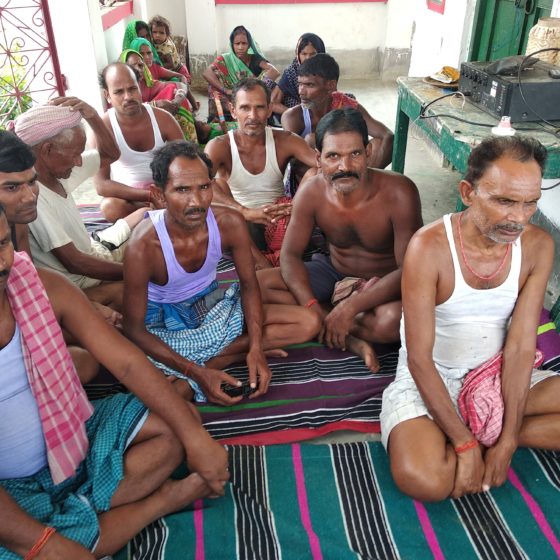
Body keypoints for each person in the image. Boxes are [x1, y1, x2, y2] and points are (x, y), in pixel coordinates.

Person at [0, 205, 229, 559]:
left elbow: (126, 363)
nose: (1, 263)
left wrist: (195, 438)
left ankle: (73, 518)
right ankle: (160, 501)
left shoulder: (40, 285)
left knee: (179, 422)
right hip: (9, 489)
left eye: (2, 244)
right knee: (31, 547)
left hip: (73, 439)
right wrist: (44, 545)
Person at [380, 136, 560, 502]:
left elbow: (521, 347)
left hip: (496, 373)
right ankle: (473, 430)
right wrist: (464, 444)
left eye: (530, 203)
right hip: (433, 375)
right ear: (467, 192)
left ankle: (493, 430)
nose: (518, 218)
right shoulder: (428, 247)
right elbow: (419, 359)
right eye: (504, 201)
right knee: (424, 479)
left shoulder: (538, 246)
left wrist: (509, 440)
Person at [123, 140, 320, 406]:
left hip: (211, 307)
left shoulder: (229, 223)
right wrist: (196, 372)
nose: (196, 201)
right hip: (165, 327)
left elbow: (249, 285)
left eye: (204, 187)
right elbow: (134, 330)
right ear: (159, 195)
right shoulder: (143, 247)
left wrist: (256, 349)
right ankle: (215, 361)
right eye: (182, 189)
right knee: (160, 392)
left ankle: (214, 359)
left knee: (308, 322)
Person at [258, 108, 422, 371]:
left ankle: (329, 319)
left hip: (382, 284)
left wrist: (351, 307)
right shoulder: (311, 192)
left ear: (368, 152)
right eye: (333, 156)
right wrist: (311, 304)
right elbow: (290, 255)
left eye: (354, 154)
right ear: (318, 158)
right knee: (256, 286)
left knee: (392, 320)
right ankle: (336, 326)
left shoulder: (399, 192)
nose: (344, 167)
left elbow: (410, 270)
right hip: (333, 271)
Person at [13, 97, 145, 311]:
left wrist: (93, 116)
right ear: (47, 150)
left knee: (147, 216)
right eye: (75, 154)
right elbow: (75, 263)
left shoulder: (60, 169)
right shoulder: (32, 197)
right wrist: (137, 273)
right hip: (80, 282)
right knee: (131, 292)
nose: (79, 161)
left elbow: (110, 154)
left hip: (95, 250)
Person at [0, 130, 103, 384]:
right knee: (88, 351)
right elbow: (74, 262)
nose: (30, 196)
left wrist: (87, 309)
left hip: (22, 318)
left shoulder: (18, 221)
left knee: (91, 350)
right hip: (11, 339)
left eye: (32, 182)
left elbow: (28, 281)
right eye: (12, 187)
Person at [204, 77, 317, 267]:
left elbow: (324, 165)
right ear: (233, 110)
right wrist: (246, 212)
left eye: (259, 107)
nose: (253, 116)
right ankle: (264, 263)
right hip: (240, 224)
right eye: (245, 108)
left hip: (280, 221)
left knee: (314, 174)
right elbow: (198, 185)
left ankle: (276, 257)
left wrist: (294, 206)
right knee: (216, 186)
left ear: (270, 109)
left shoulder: (285, 140)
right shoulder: (219, 146)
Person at [94, 62, 184, 222]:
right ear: (107, 95)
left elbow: (186, 161)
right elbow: (101, 184)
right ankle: (154, 215)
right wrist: (149, 195)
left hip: (166, 191)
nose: (128, 97)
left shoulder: (163, 119)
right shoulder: (103, 128)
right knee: (110, 207)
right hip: (130, 198)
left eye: (132, 89)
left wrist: (167, 191)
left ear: (140, 87)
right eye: (119, 92)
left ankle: (151, 217)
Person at [282, 53, 393, 169]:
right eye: (300, 84)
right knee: (310, 140)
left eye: (309, 85)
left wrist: (369, 174)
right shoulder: (292, 117)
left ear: (331, 85)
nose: (301, 91)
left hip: (347, 170)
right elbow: (294, 164)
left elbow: (388, 135)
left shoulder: (348, 106)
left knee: (377, 144)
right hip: (314, 175)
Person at [202, 25, 279, 122]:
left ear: (249, 45)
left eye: (244, 43)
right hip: (228, 96)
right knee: (213, 83)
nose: (240, 47)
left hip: (249, 96)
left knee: (272, 87)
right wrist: (226, 90)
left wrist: (256, 87)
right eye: (237, 44)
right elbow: (207, 72)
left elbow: (274, 71)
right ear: (232, 45)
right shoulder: (225, 59)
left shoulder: (254, 59)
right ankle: (218, 119)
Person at [121, 48, 197, 143]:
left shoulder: (146, 83)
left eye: (140, 65)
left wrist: (175, 102)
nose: (138, 69)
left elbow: (179, 85)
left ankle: (185, 142)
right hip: (133, 128)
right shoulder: (121, 89)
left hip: (149, 119)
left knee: (172, 89)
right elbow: (124, 112)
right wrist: (156, 104)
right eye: (132, 66)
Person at [130, 37, 199, 111]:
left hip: (154, 107)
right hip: (142, 112)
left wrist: (181, 91)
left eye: (149, 53)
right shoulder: (129, 82)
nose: (147, 57)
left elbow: (180, 78)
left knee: (173, 87)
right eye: (141, 54)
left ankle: (190, 112)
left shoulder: (153, 71)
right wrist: (158, 104)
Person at [270, 33, 326, 114]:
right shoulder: (291, 72)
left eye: (313, 54)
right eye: (304, 54)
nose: (308, 58)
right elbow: (273, 103)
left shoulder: (326, 71)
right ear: (298, 55)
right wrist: (297, 115)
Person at [149, 15, 192, 83]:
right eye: (154, 32)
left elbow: (170, 64)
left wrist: (157, 67)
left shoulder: (167, 47)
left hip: (178, 70)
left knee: (183, 85)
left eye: (161, 33)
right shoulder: (154, 42)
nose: (157, 35)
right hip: (170, 71)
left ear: (167, 35)